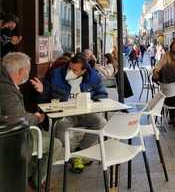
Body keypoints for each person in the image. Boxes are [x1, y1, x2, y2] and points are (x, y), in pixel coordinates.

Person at [32, 53, 108, 173]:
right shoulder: (56, 74)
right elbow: (45, 97)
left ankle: (79, 152)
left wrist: (91, 100)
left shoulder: (93, 76)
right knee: (61, 129)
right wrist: (41, 91)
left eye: (74, 70)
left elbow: (103, 94)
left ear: (83, 71)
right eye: (69, 67)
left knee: (101, 123)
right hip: (64, 113)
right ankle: (75, 155)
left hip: (84, 112)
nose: (70, 71)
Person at [0, 52, 62, 190]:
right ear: (21, 71)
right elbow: (17, 119)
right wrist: (36, 118)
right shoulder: (6, 90)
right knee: (56, 144)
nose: (28, 74)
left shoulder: (5, 83)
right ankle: (37, 180)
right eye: (27, 70)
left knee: (43, 136)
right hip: (12, 140)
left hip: (10, 135)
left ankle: (30, 177)